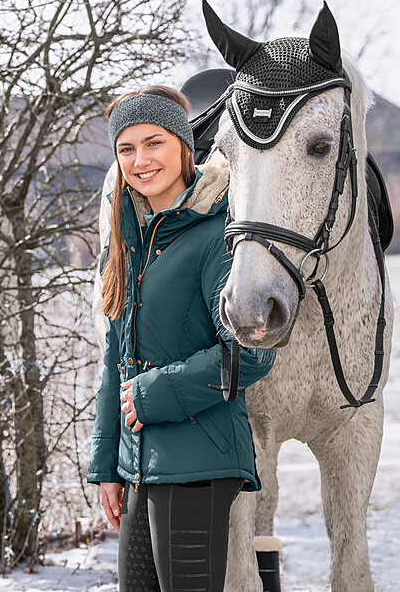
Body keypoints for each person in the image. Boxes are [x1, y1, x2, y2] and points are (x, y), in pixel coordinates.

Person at [86, 84, 277, 592]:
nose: (140, 160)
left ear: (184, 147)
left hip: (198, 464)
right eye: (126, 149)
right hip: (138, 468)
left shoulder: (219, 233)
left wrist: (154, 394)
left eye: (154, 143)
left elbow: (252, 351)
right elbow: (115, 361)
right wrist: (107, 464)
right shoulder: (133, 239)